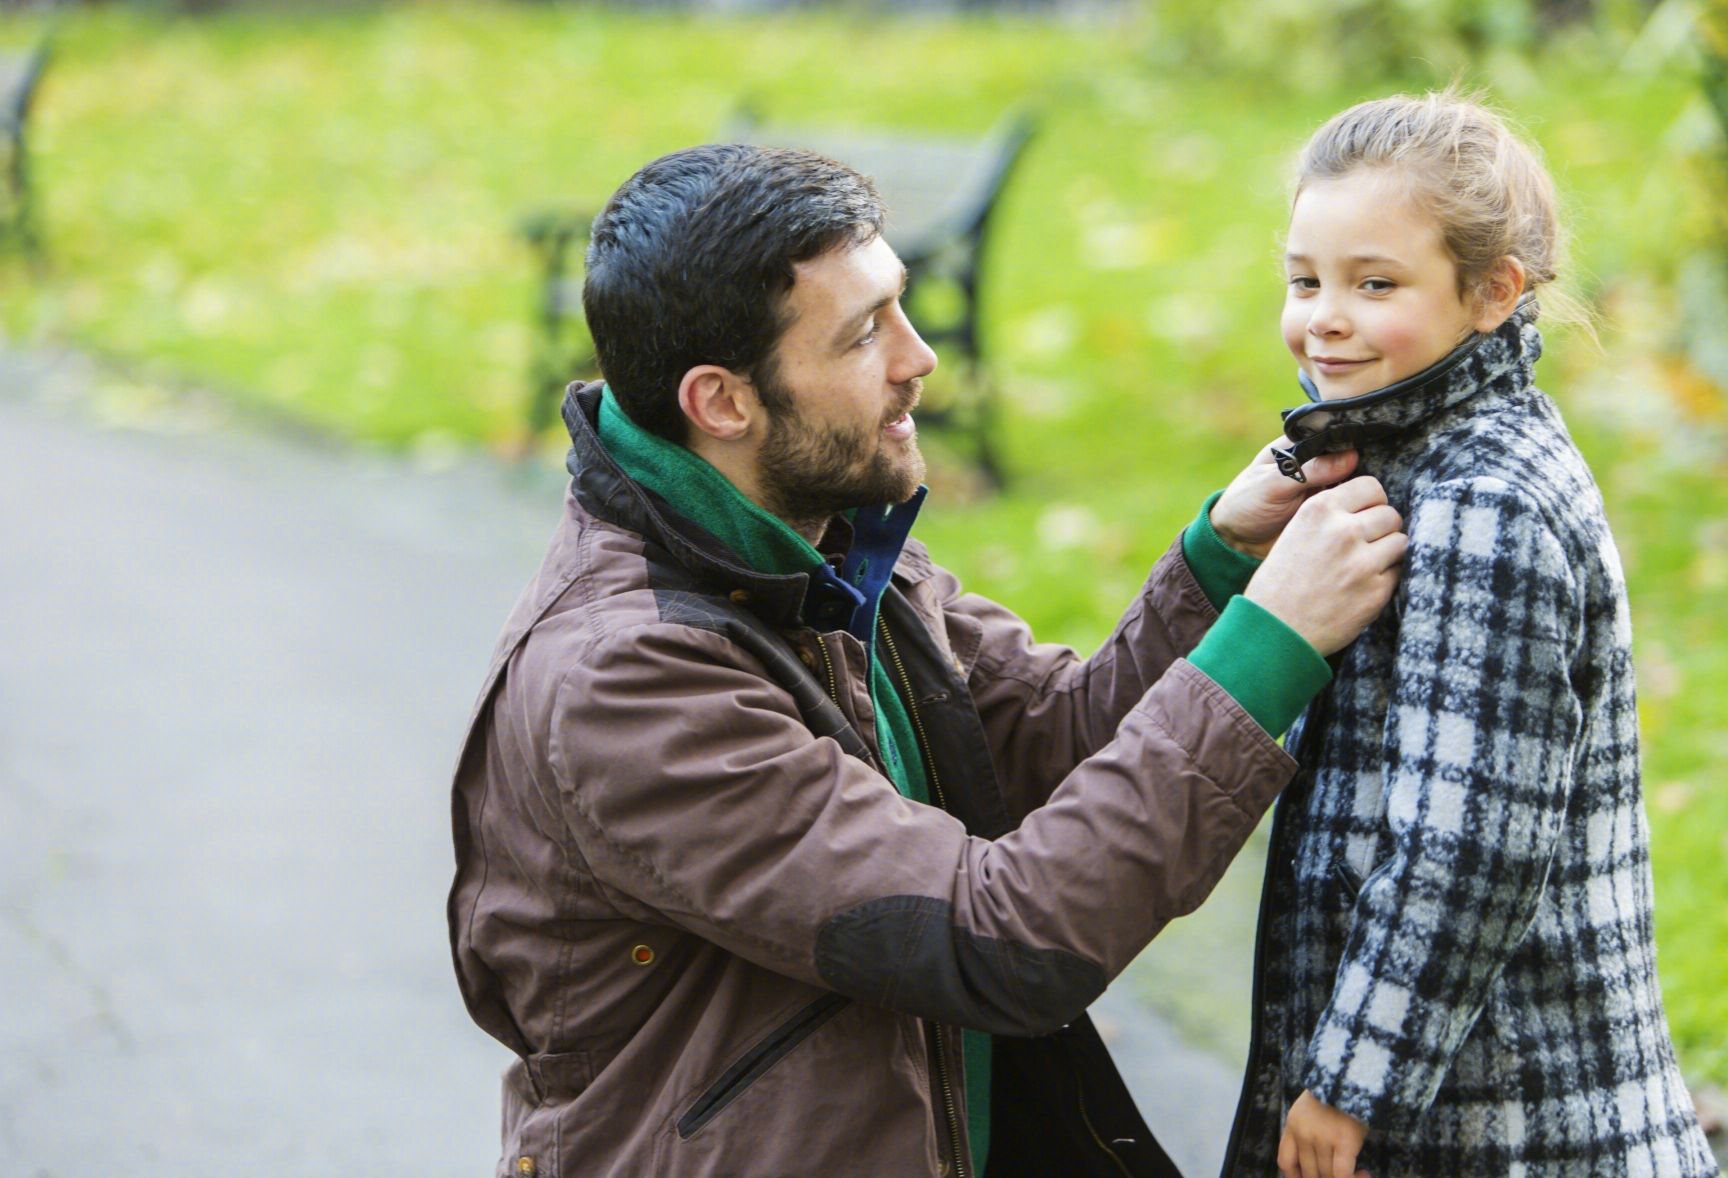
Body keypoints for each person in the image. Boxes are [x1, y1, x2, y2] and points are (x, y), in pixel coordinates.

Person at [447, 143, 1406, 1178]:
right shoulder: (626, 681)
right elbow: (997, 938)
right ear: (723, 402)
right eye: (864, 333)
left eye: (897, 303)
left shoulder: (819, 545)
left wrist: (1219, 565)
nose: (919, 357)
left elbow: (1054, 749)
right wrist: (1272, 642)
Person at [1221, 91, 1719, 1178]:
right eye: (1305, 280)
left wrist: (1352, 1080)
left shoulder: (1482, 502)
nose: (1326, 317)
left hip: (1508, 1108)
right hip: (1457, 1079)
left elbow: (1471, 841)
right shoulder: (1409, 458)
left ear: (1493, 292)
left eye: (1376, 283)